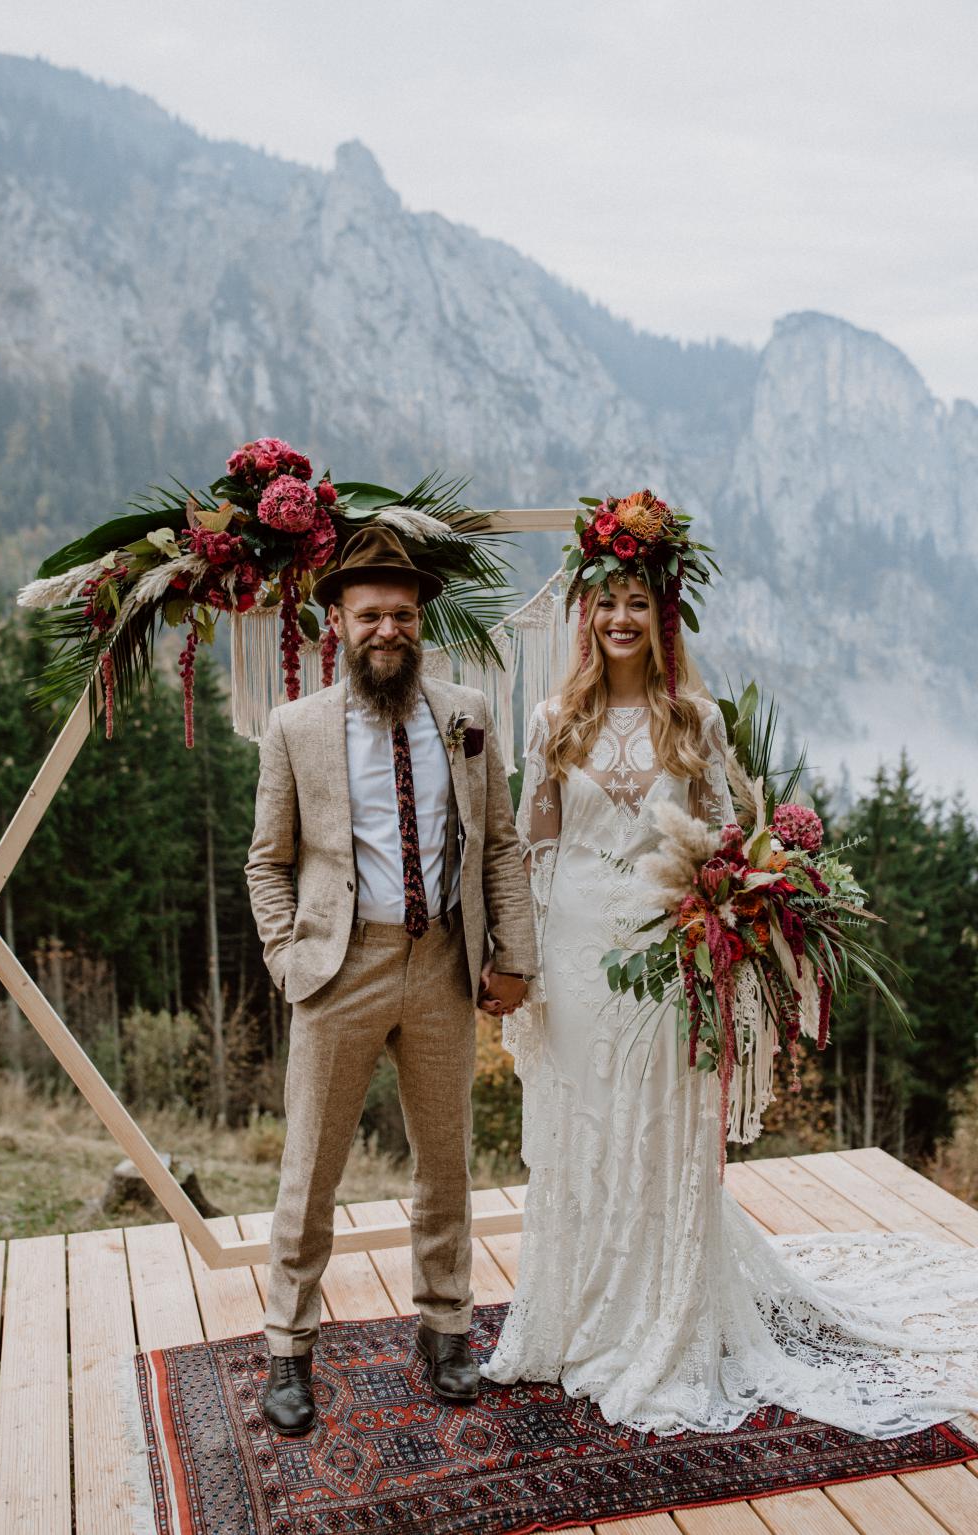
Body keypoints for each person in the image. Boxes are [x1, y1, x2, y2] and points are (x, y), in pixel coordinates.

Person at [483, 493, 978, 1438]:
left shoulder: (695, 719)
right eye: (606, 600)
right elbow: (534, 850)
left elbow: (722, 841)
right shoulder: (551, 720)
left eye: (637, 600)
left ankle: (661, 1316)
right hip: (578, 955)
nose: (620, 616)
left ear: (661, 615)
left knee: (660, 1130)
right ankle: (576, 1310)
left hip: (666, 954)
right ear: (585, 613)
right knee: (582, 1129)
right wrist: (524, 966)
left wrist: (741, 912)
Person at [245, 523, 536, 1435]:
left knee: (446, 1162)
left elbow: (499, 844)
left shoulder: (467, 710)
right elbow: (266, 860)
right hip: (340, 970)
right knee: (312, 1168)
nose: (387, 629)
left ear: (421, 622)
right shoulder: (295, 728)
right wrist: (288, 958)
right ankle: (289, 1346)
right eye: (370, 613)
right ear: (338, 621)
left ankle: (447, 1329)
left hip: (445, 963)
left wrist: (514, 956)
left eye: (403, 614)